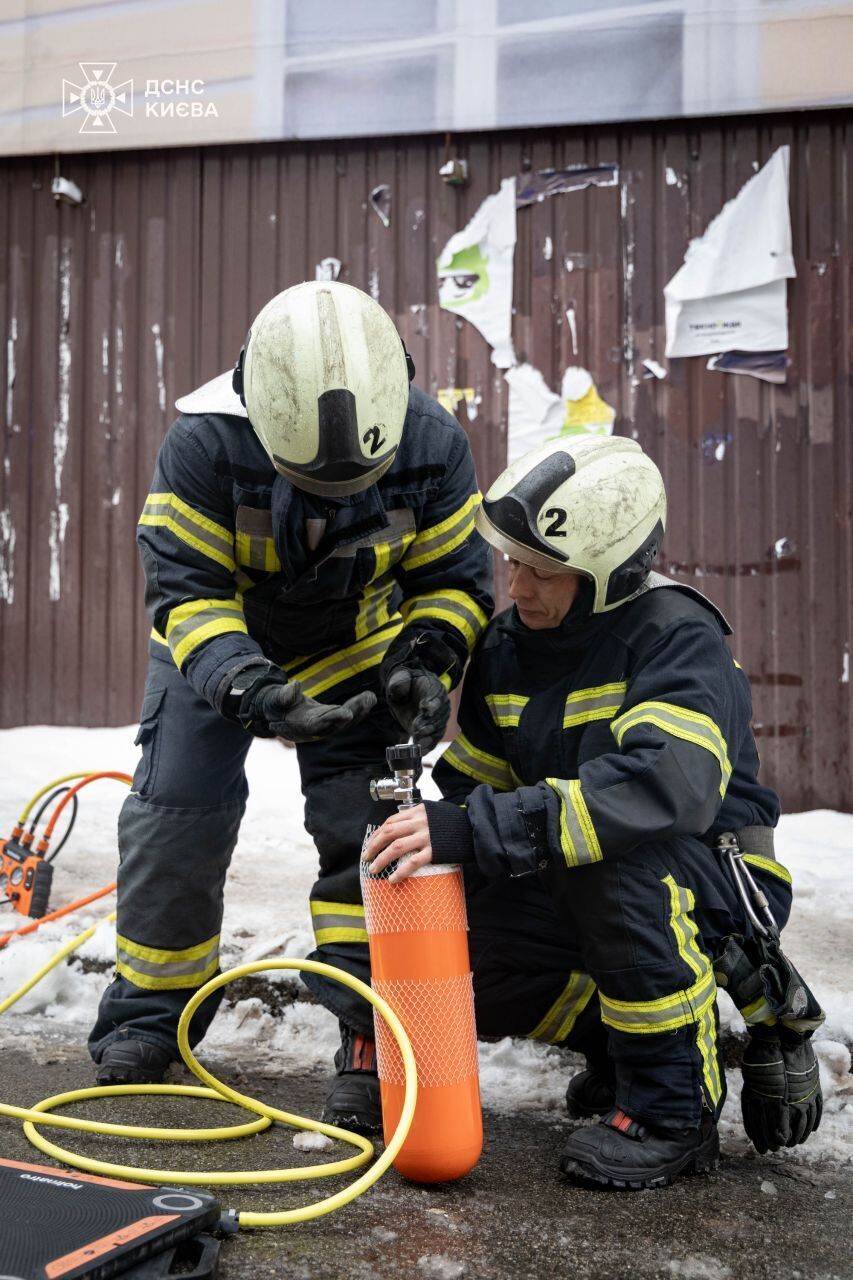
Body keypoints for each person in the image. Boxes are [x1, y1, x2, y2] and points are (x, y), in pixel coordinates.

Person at [364, 435, 823, 1188]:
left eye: (543, 571)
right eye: (512, 563)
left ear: (613, 575)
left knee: (610, 865)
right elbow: (479, 791)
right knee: (448, 928)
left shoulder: (676, 636)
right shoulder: (510, 646)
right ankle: (624, 1042)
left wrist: (477, 829)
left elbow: (662, 791)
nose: (517, 587)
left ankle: (674, 1110)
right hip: (576, 864)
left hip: (711, 874)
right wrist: (419, 830)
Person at [90, 280, 494, 1134]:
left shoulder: (432, 442)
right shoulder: (204, 443)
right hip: (218, 647)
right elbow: (189, 593)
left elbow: (454, 582)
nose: (337, 500)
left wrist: (424, 661)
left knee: (370, 835)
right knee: (176, 816)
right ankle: (150, 1017)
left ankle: (369, 1035)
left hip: (361, 649)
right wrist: (251, 687)